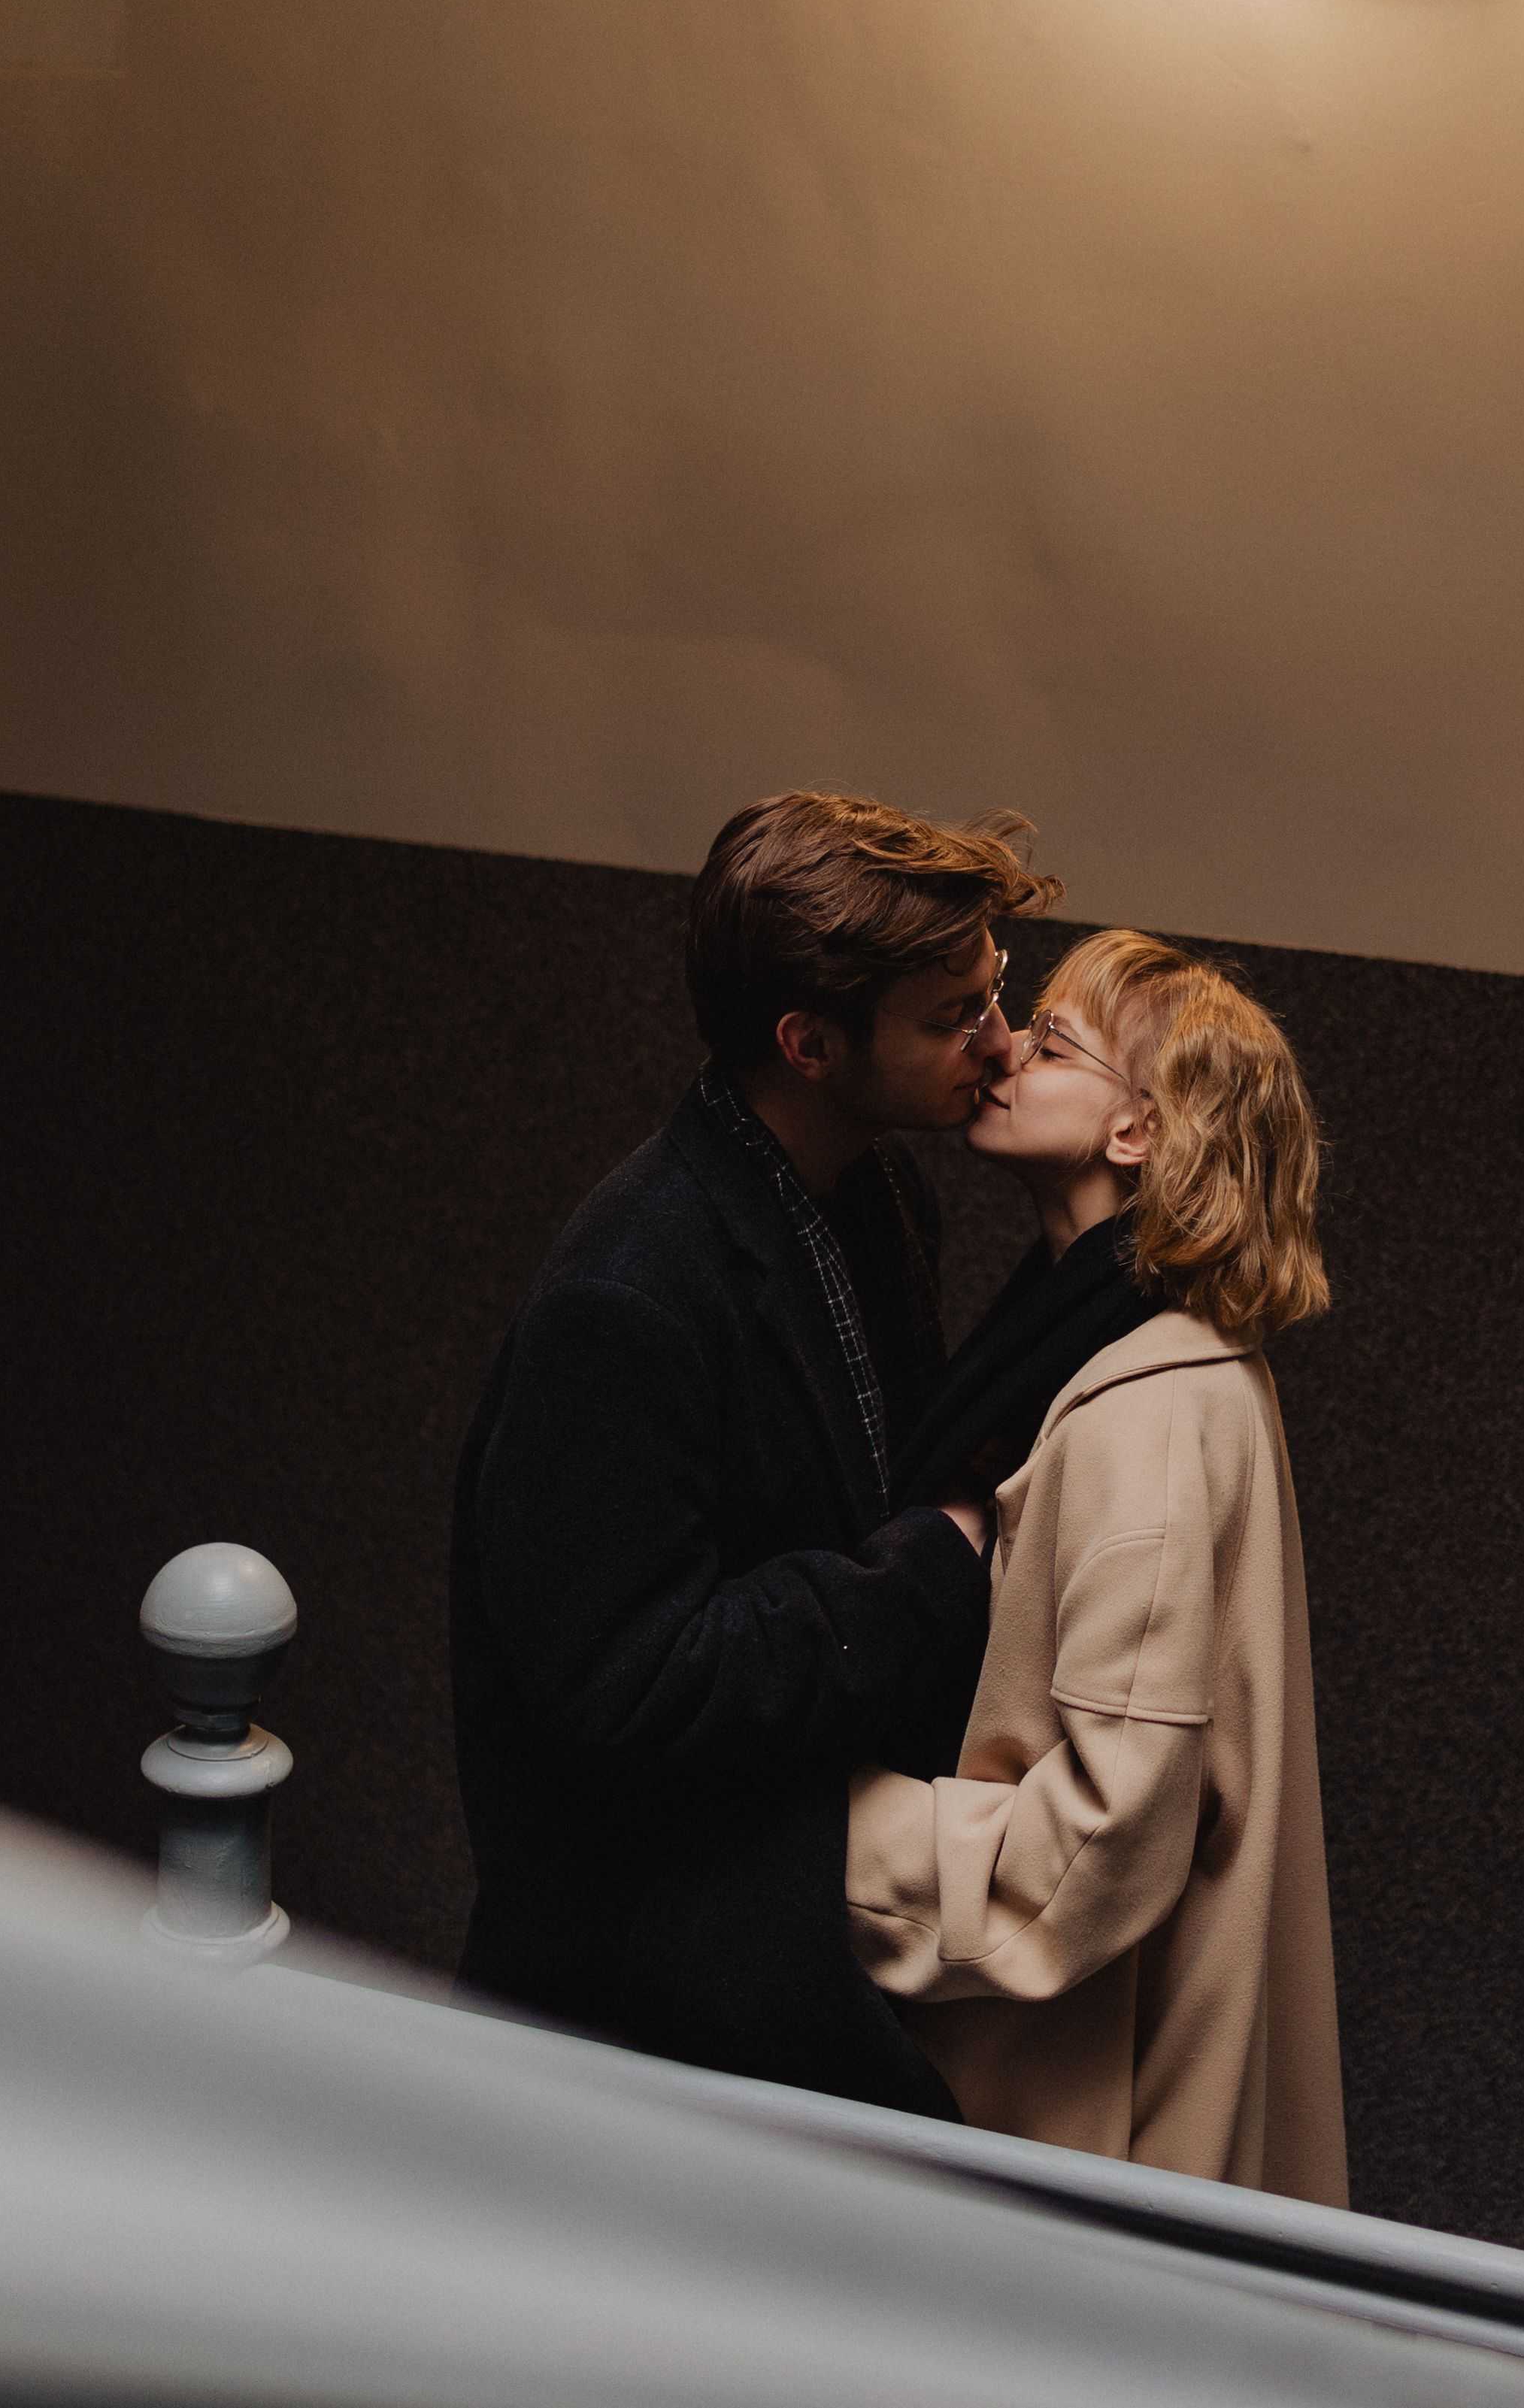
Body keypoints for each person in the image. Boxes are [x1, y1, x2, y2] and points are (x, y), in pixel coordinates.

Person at [450, 791, 1059, 2113]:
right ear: (808, 1043)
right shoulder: (623, 1298)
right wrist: (937, 1559)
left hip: (802, 1897)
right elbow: (626, 1686)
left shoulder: (881, 1190)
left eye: (994, 991)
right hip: (639, 2010)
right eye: (953, 1016)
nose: (1002, 1042)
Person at [846, 929, 1347, 2201]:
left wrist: (818, 1837)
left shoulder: (1144, 1405)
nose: (1003, 1045)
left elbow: (1096, 1843)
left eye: (1054, 1041)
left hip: (1078, 2131)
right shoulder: (1126, 1352)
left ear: (1137, 1131)